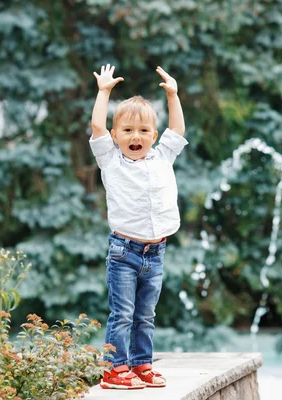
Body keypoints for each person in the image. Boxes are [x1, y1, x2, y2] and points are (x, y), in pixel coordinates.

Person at [89, 63, 187, 390]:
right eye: (128, 130)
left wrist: (172, 95)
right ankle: (115, 369)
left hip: (155, 253)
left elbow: (178, 131)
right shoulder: (111, 161)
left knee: (145, 316)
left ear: (153, 137)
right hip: (124, 253)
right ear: (116, 136)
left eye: (143, 131)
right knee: (123, 315)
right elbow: (96, 127)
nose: (136, 136)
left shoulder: (162, 159)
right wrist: (104, 92)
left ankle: (141, 364)